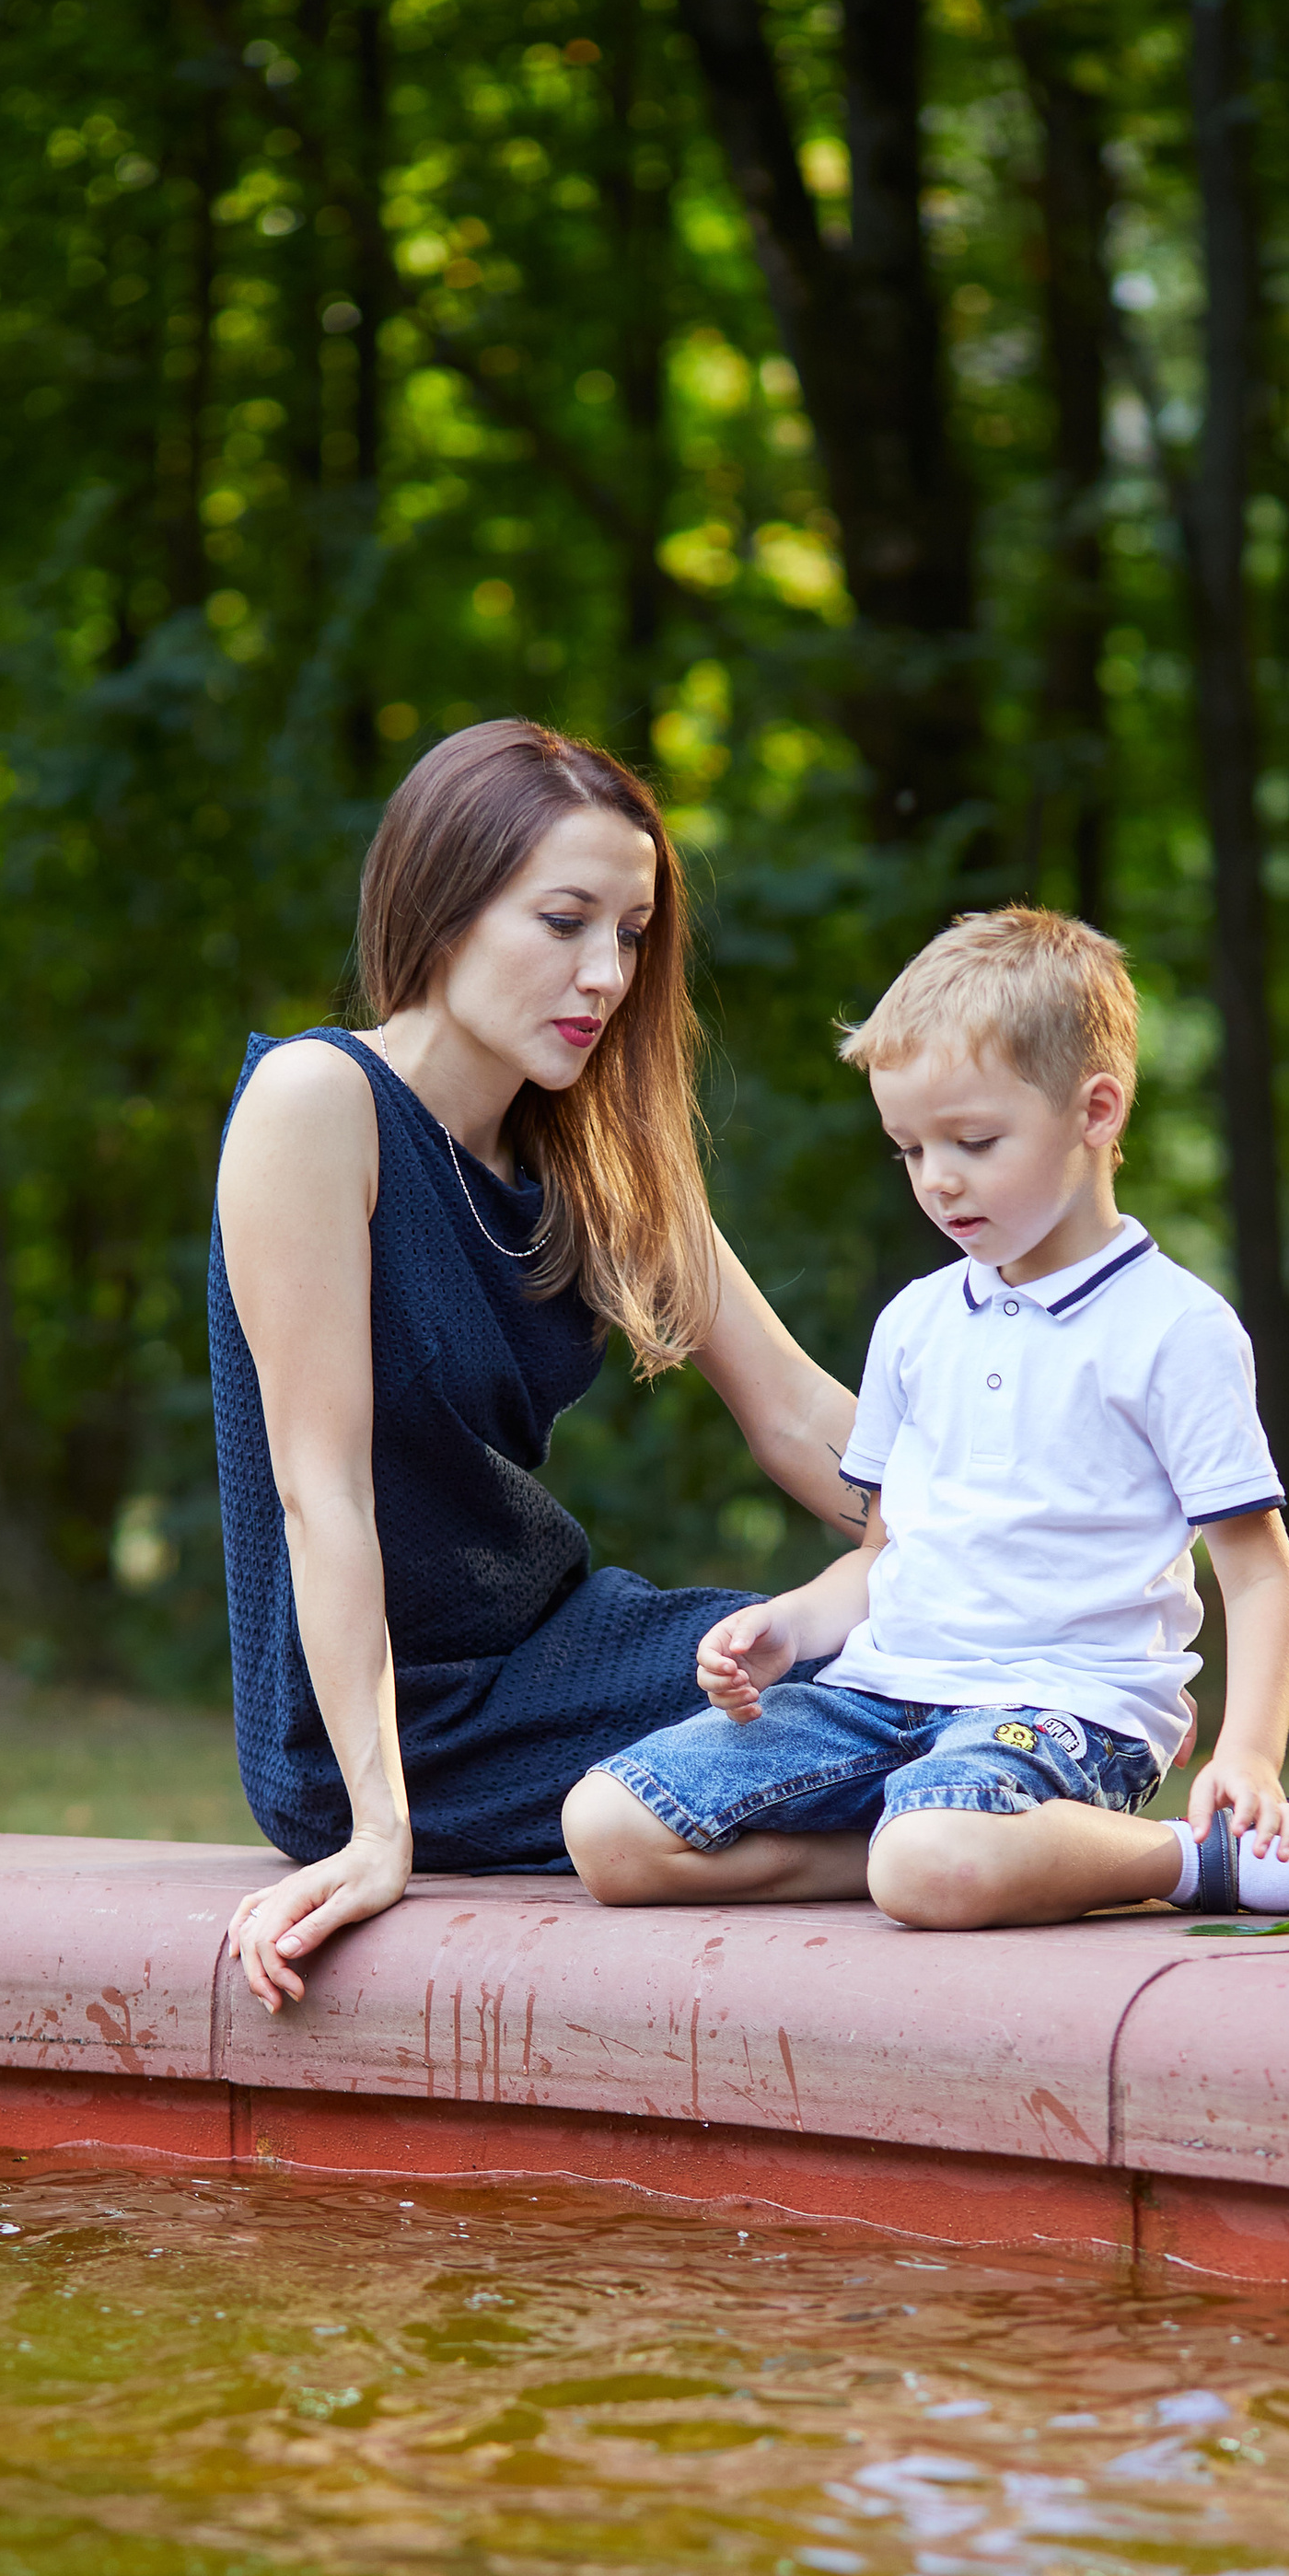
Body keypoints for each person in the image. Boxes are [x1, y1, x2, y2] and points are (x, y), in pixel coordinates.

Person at [562, 905, 1289, 1930]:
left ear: (1096, 1111)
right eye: (908, 1149)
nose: (938, 1180)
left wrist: (1248, 1754)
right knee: (608, 1831)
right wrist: (789, 1625)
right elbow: (881, 1557)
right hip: (879, 1696)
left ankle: (1200, 1858)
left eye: (972, 1140)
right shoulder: (917, 1323)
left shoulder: (1173, 1329)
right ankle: (918, 1855)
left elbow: (1260, 1570)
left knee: (932, 1859)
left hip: (1060, 1711)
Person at [212, 717, 868, 2013]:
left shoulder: (593, 1144)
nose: (607, 974)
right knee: (907, 1691)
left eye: (628, 934)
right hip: (396, 1723)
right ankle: (988, 1849)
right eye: (563, 921)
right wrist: (376, 1830)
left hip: (563, 1648)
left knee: (913, 1647)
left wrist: (1012, 1538)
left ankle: (1036, 1836)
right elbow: (321, 1492)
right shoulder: (315, 1103)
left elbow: (798, 1414)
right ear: (444, 907)